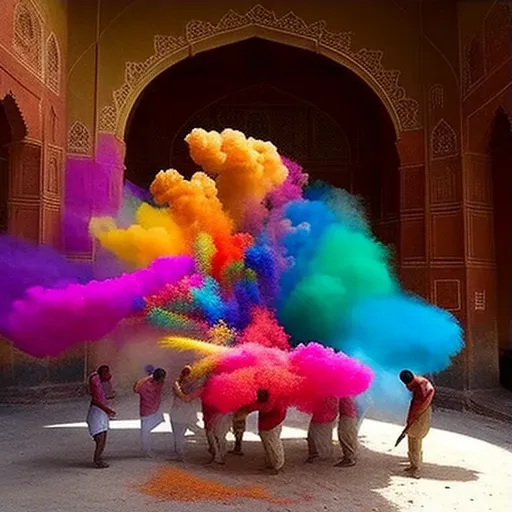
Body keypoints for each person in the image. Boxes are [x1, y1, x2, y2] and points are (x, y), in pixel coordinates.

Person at [399, 370, 435, 478]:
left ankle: (416, 467)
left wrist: (410, 419)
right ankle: (414, 465)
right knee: (413, 437)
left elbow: (417, 406)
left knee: (415, 439)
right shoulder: (420, 381)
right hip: (422, 411)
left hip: (421, 413)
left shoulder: (419, 387)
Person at [86, 365, 116, 468]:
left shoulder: (102, 384)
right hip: (96, 414)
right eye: (106, 372)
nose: (108, 374)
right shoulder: (95, 382)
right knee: (100, 438)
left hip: (101, 415)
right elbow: (96, 401)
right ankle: (97, 460)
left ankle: (98, 459)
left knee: (103, 437)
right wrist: (108, 410)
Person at [170, 365, 202, 461]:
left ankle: (180, 454)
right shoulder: (191, 386)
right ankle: (180, 454)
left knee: (178, 435)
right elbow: (186, 398)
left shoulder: (178, 384)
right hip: (183, 413)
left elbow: (184, 397)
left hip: (178, 414)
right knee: (179, 435)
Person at [133, 367, 167, 457]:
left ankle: (147, 450)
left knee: (145, 431)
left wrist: (148, 377)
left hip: (149, 410)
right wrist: (151, 377)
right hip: (148, 411)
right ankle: (147, 451)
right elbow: (136, 389)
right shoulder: (159, 384)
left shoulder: (145, 385)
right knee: (145, 432)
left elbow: (136, 388)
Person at [254, 389, 287, 474]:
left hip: (271, 423)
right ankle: (271, 464)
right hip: (271, 422)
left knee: (272, 444)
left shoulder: (273, 396)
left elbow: (267, 408)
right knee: (269, 444)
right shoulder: (276, 391)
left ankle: (276, 466)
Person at [306, 396, 338, 463]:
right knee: (315, 435)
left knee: (320, 436)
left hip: (324, 416)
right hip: (321, 415)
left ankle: (321, 455)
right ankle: (317, 454)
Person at [335, 396, 359, 467]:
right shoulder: (350, 390)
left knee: (345, 436)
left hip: (347, 416)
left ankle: (349, 459)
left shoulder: (345, 391)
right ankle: (351, 456)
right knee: (349, 436)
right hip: (350, 415)